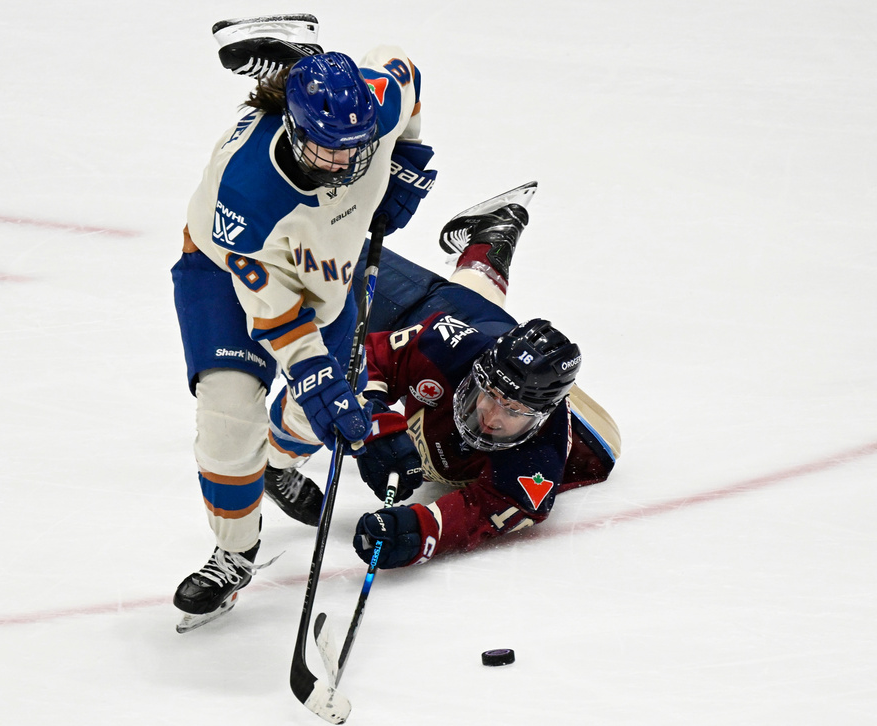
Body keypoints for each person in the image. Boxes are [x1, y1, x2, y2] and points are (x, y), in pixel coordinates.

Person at [170, 43, 437, 631]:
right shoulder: (244, 198)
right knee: (231, 416)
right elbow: (279, 318)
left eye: (356, 148)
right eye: (327, 148)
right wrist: (317, 379)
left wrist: (409, 156)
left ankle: (279, 464)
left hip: (326, 277)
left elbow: (408, 74)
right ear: (292, 128)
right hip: (224, 274)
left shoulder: (371, 105)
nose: (345, 163)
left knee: (313, 420)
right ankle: (234, 554)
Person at [262, 185, 621, 568]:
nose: (492, 417)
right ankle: (273, 463)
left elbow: (483, 514)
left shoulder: (538, 461)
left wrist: (416, 531)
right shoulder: (445, 346)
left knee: (475, 311)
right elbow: (360, 362)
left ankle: (492, 233)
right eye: (491, 395)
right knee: (314, 250)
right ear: (479, 373)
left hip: (514, 365)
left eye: (514, 411)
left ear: (540, 417)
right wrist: (376, 424)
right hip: (449, 324)